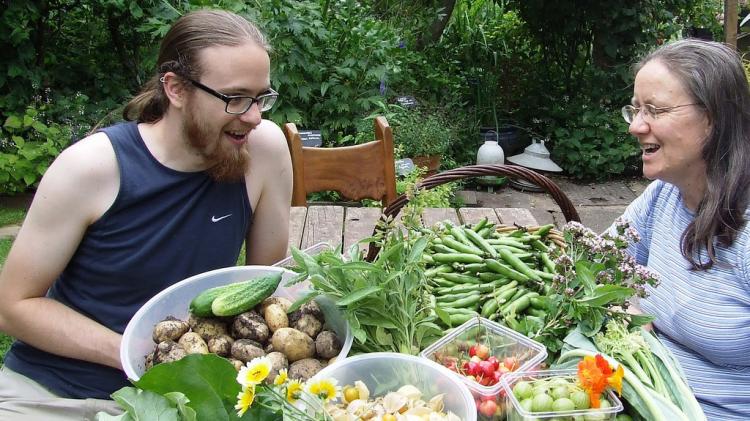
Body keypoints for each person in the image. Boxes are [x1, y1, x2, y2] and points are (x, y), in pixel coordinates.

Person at [0, 9, 292, 420]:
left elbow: (264, 285)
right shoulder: (93, 168)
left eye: (261, 97)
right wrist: (140, 355)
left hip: (187, 401)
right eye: (235, 98)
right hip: (56, 395)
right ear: (175, 88)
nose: (254, 116)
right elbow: (13, 305)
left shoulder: (264, 151)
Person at [616, 38, 750, 420]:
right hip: (647, 400)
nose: (637, 127)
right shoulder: (662, 197)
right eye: (636, 109)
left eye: (655, 110)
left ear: (714, 118)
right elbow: (596, 263)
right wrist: (628, 313)